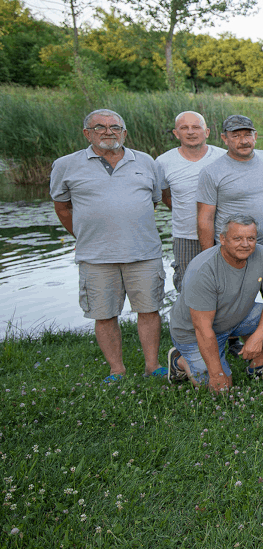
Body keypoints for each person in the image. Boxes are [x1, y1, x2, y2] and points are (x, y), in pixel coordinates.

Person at [51, 109, 166, 382]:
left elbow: (153, 201)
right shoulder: (66, 164)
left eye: (115, 127)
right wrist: (85, 234)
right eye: (99, 127)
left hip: (143, 252)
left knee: (149, 309)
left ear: (124, 132)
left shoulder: (147, 161)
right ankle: (117, 369)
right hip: (95, 255)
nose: (107, 131)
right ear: (86, 133)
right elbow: (62, 207)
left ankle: (153, 365)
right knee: (104, 314)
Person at [196, 114, 263, 360]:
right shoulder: (212, 172)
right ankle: (230, 341)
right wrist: (207, 255)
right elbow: (204, 217)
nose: (243, 140)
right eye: (236, 135)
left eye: (247, 134)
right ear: (224, 138)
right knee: (231, 299)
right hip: (235, 250)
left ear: (255, 135)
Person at [166, 215, 263, 389]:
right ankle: (180, 361)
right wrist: (216, 374)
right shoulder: (203, 269)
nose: (245, 244)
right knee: (221, 387)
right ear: (222, 239)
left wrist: (258, 336)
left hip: (235, 318)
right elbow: (203, 329)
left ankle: (257, 365)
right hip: (194, 334)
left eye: (251, 238)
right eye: (237, 238)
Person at [156, 110, 226, 293]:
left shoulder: (224, 157)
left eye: (196, 127)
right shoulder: (163, 162)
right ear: (176, 133)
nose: (191, 132)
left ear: (207, 132)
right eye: (184, 128)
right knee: (189, 286)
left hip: (224, 234)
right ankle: (189, 322)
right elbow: (165, 196)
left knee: (226, 285)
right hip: (186, 236)